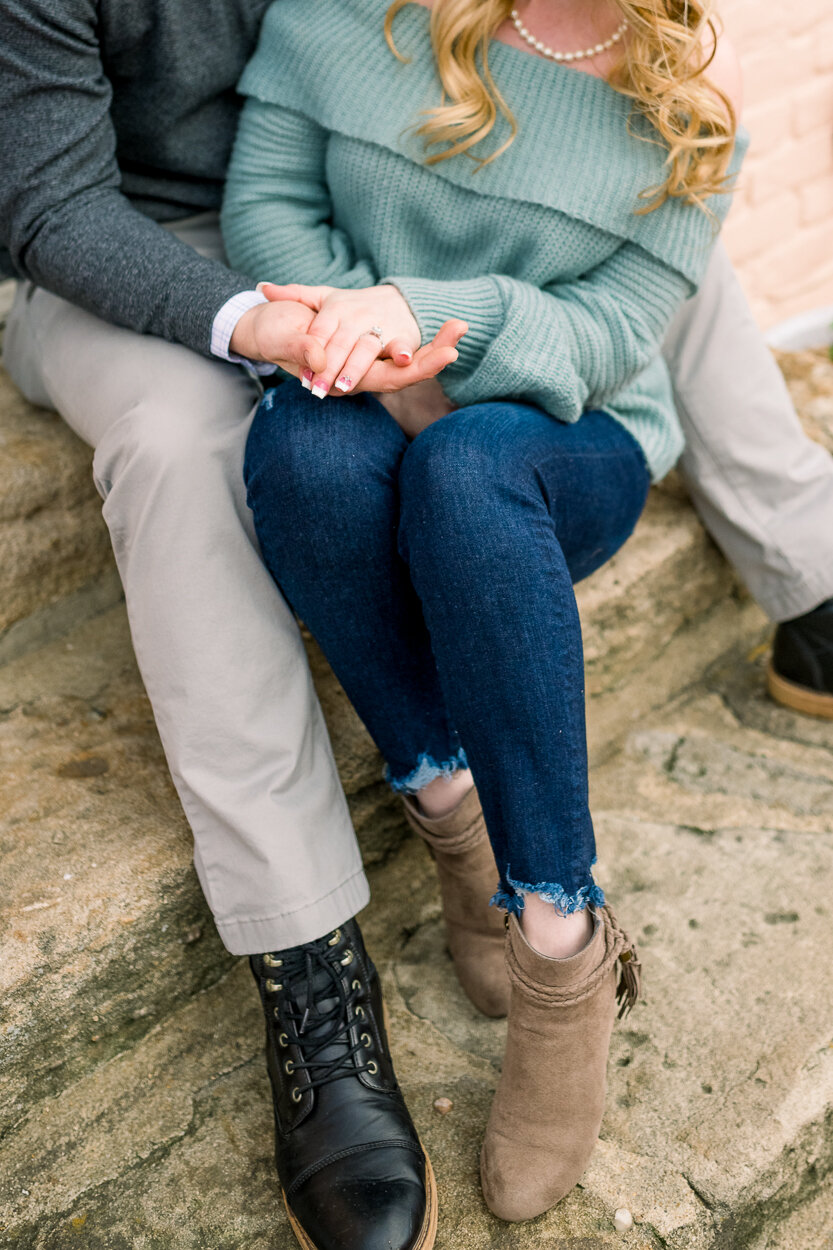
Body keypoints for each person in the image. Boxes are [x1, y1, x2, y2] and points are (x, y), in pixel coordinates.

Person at [0, 1, 830, 1248]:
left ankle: (800, 578)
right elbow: (58, 206)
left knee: (639, 210)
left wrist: (437, 321)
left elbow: (610, 261)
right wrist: (319, 326)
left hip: (423, 192)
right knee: (211, 450)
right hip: (162, 231)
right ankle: (316, 969)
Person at [223, 0, 746, 1241]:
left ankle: (560, 938)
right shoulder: (347, 16)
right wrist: (365, 337)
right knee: (301, 456)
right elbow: (267, 213)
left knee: (462, 470)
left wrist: (436, 330)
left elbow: (612, 332)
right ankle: (448, 814)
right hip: (341, 375)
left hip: (567, 436)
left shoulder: (686, 121)